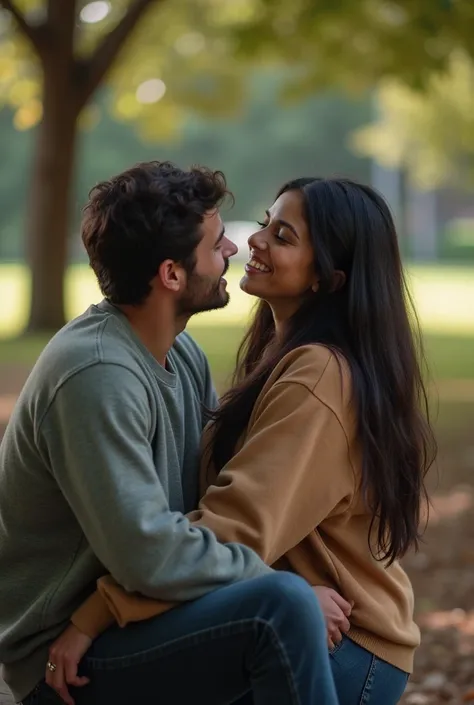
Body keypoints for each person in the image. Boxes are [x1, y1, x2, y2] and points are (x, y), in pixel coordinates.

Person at [49, 177, 437, 705]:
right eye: (263, 225)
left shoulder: (319, 375)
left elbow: (236, 526)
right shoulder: (280, 356)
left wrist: (95, 614)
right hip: (297, 622)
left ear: (327, 277)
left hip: (347, 648)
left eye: (283, 235)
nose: (253, 242)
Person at [0, 163, 340, 705]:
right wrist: (281, 586)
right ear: (172, 274)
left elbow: (201, 507)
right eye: (213, 244)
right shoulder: (96, 374)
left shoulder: (182, 356)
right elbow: (148, 555)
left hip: (137, 619)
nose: (232, 249)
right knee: (282, 608)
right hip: (63, 662)